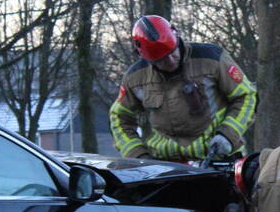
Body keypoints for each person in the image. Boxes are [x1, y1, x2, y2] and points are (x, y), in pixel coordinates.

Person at [109, 15, 257, 162]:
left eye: (172, 52)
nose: (170, 61)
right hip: (166, 166)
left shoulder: (211, 59)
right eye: (161, 60)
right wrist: (138, 155)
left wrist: (227, 135)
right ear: (147, 58)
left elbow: (246, 96)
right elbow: (119, 118)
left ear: (176, 36)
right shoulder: (135, 77)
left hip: (219, 158)